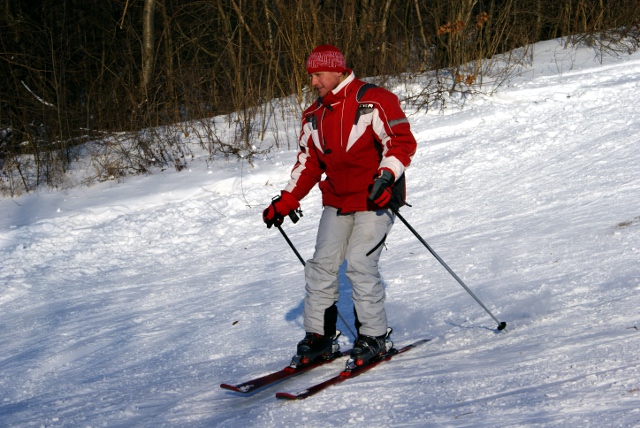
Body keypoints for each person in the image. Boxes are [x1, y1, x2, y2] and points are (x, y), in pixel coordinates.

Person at [263, 44, 417, 366]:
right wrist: (286, 200)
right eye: (311, 76)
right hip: (337, 200)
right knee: (320, 267)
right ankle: (319, 338)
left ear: (337, 70)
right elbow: (308, 164)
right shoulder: (313, 116)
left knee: (360, 263)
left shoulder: (373, 100)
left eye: (318, 74)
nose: (314, 82)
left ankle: (374, 336)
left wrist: (386, 177)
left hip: (375, 198)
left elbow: (400, 142)